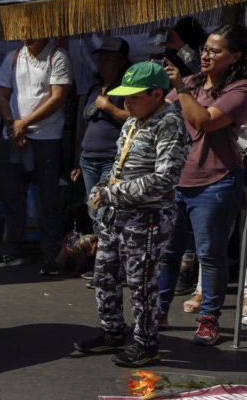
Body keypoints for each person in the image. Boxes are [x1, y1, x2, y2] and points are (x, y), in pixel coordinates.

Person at [73, 62, 189, 367]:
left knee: (142, 282)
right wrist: (103, 186)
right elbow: (119, 166)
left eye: (134, 96)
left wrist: (111, 193)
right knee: (104, 275)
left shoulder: (170, 124)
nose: (126, 103)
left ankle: (146, 343)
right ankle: (113, 331)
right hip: (116, 215)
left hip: (147, 218)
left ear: (156, 93)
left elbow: (164, 180)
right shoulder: (132, 122)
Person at [157, 24, 247, 346]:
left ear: (234, 56)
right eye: (205, 49)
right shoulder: (192, 82)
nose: (206, 55)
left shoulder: (240, 88)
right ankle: (158, 311)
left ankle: (209, 319)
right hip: (177, 180)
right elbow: (162, 112)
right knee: (168, 252)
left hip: (216, 181)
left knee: (209, 255)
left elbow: (203, 121)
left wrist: (180, 88)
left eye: (215, 50)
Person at [0, 37, 73, 274]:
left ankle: (50, 257)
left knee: (49, 202)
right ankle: (12, 251)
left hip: (46, 138)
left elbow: (58, 97)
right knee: (13, 199)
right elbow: (2, 94)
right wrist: (11, 124)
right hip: (14, 137)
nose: (28, 36)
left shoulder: (57, 57)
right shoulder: (14, 56)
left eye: (32, 31)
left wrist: (23, 123)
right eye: (24, 31)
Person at [70, 38, 131, 235]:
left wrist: (109, 107)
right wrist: (77, 161)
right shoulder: (95, 88)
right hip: (88, 160)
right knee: (92, 206)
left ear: (121, 63)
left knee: (104, 208)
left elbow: (133, 120)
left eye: (109, 60)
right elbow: (84, 126)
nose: (102, 65)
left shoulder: (126, 90)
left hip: (110, 160)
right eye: (101, 60)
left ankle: (105, 254)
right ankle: (97, 253)